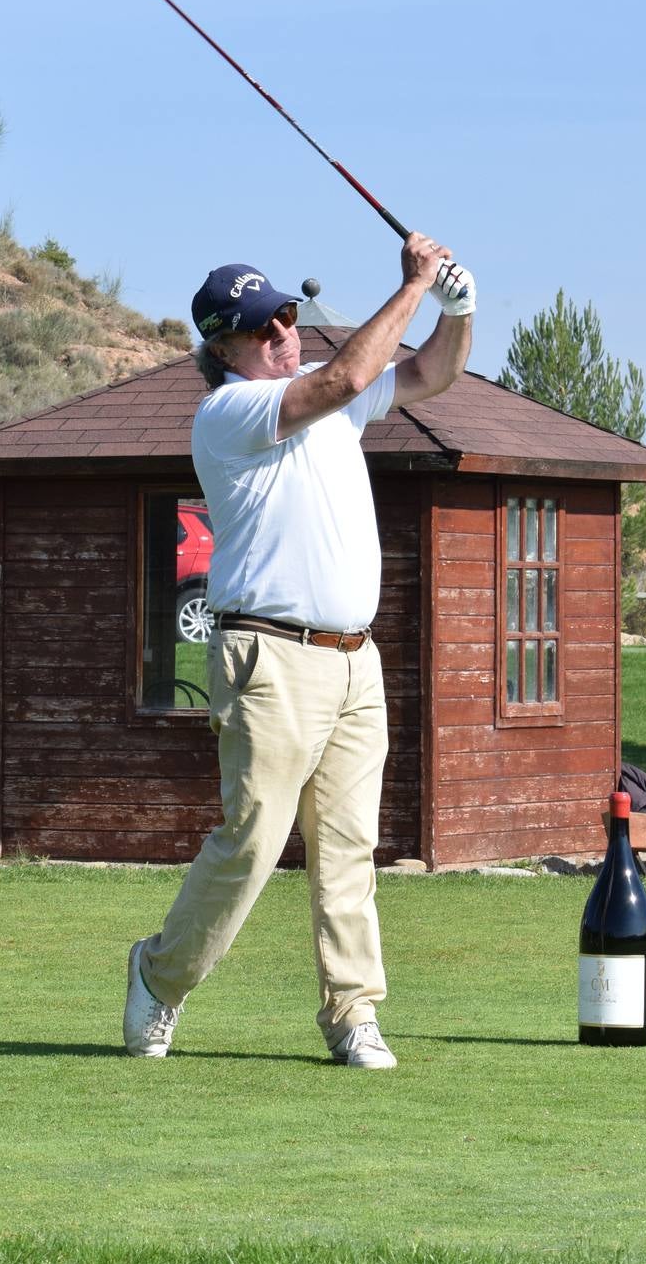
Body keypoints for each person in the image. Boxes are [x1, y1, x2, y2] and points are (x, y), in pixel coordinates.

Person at [123, 235, 474, 1068]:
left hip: (356, 661)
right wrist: (415, 284)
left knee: (349, 848)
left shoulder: (328, 405)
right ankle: (159, 976)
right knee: (251, 843)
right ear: (223, 349)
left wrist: (457, 307)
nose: (284, 330)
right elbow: (347, 376)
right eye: (262, 326)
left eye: (285, 313)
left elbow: (429, 374)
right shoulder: (230, 414)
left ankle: (352, 1014)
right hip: (269, 658)